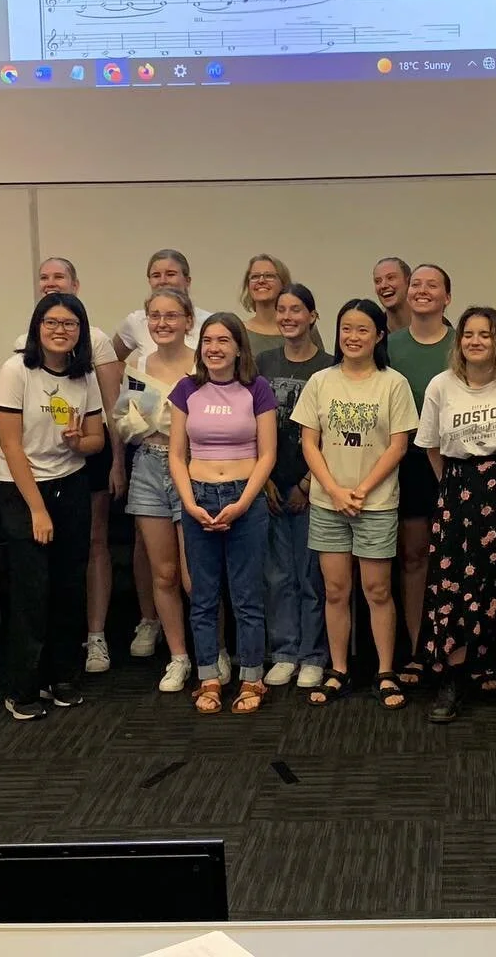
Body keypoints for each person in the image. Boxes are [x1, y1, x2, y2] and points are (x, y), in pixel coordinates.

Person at [416, 308, 496, 723]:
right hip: (457, 491)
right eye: (468, 334)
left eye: (484, 335)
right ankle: (453, 683)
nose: (474, 341)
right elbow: (432, 446)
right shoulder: (441, 385)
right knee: (454, 591)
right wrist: (454, 486)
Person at [292, 298, 418, 709]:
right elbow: (309, 442)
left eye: (363, 329)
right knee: (335, 590)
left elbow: (399, 445)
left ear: (379, 335)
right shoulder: (321, 382)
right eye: (346, 328)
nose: (353, 336)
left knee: (377, 589)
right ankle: (339, 669)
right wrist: (333, 489)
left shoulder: (393, 383)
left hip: (376, 503)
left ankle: (385, 670)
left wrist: (361, 489)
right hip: (329, 503)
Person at [0, 292, 105, 720]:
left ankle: (60, 677)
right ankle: (22, 687)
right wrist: (37, 510)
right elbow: (8, 445)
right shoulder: (16, 369)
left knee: (67, 586)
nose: (61, 331)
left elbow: (95, 440)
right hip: (23, 490)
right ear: (38, 327)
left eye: (70, 324)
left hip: (71, 484)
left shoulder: (84, 376)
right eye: (52, 322)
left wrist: (81, 442)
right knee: (31, 590)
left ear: (80, 332)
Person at [14, 257, 126, 676]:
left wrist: (117, 462)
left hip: (88, 456)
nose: (50, 283)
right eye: (43, 277)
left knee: (93, 543)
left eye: (58, 277)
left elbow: (112, 408)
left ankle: (94, 636)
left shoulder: (94, 339)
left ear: (75, 284)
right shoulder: (21, 347)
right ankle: (48, 647)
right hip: (36, 469)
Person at [169, 314, 278, 714]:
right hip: (198, 498)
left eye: (223, 340)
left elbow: (267, 454)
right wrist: (191, 504)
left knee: (247, 596)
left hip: (244, 498)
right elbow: (176, 456)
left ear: (238, 347)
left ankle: (252, 678)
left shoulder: (257, 389)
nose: (214, 348)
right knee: (203, 596)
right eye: (208, 340)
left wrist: (244, 502)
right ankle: (209, 678)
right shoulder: (186, 389)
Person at [113, 288, 198, 692]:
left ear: (187, 321)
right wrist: (154, 422)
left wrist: (163, 419)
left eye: (171, 315)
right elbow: (126, 423)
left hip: (193, 468)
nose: (162, 323)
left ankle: (210, 654)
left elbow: (208, 425)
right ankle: (178, 657)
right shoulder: (137, 363)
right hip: (147, 465)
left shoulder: (203, 364)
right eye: (155, 316)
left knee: (193, 575)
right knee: (162, 573)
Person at [256, 283, 334, 688]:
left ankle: (313, 655)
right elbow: (249, 424)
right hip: (268, 482)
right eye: (281, 310)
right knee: (276, 575)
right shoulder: (261, 363)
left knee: (310, 576)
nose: (287, 317)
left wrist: (307, 482)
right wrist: (263, 477)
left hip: (313, 485)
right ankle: (284, 651)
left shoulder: (329, 366)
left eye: (296, 310)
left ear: (312, 316)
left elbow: (333, 433)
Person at [386, 264, 454, 687]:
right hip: (407, 462)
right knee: (414, 556)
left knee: (457, 561)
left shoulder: (461, 345)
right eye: (417, 285)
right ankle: (416, 649)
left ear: (448, 297)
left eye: (433, 285)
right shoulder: (389, 345)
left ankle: (457, 650)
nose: (422, 291)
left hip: (455, 462)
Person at [113, 249, 213, 363]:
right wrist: (133, 377)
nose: (163, 281)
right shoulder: (135, 321)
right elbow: (109, 360)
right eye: (156, 276)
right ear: (149, 281)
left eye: (170, 274)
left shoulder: (209, 322)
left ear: (187, 281)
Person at [240, 253, 324, 358]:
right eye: (255, 277)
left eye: (269, 276)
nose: (261, 281)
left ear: (283, 283)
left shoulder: (304, 328)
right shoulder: (239, 332)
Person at [372, 256, 412, 334]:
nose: (383, 286)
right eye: (378, 281)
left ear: (408, 281)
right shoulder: (374, 333)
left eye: (390, 278)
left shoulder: (436, 327)